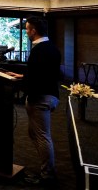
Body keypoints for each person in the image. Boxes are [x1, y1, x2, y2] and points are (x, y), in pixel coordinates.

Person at [21, 16, 62, 186]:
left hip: (40, 98)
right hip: (49, 94)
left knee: (43, 136)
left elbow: (37, 78)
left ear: (34, 30)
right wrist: (23, 77)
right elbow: (45, 73)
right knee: (35, 133)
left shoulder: (39, 50)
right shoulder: (52, 48)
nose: (26, 31)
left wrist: (24, 88)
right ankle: (46, 168)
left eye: (27, 28)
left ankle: (48, 176)